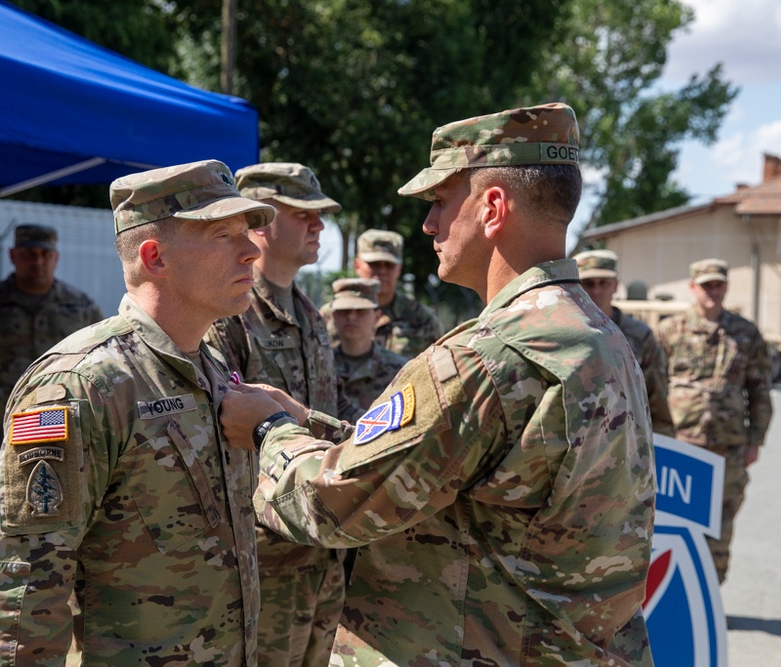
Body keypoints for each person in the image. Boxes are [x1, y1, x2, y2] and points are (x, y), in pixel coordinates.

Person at [222, 103, 656, 665]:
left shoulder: (487, 358)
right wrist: (314, 425)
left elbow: (334, 503)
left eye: (440, 202)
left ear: (493, 207)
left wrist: (269, 432)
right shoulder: (598, 337)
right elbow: (461, 464)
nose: (429, 225)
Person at [0, 160, 274, 665]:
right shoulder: (81, 385)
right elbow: (18, 592)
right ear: (154, 257)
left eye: (248, 233)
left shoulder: (211, 365)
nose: (251, 250)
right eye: (224, 235)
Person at [204, 162, 345, 667]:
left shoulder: (311, 314)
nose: (319, 226)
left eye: (320, 215)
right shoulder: (229, 315)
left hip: (321, 548)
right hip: (265, 559)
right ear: (262, 221)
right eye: (305, 213)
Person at [0, 224, 103, 502]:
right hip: (1, 431)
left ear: (56, 258)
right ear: (13, 255)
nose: (38, 261)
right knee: (2, 513)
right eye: (29, 254)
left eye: (45, 254)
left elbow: (99, 371)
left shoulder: (81, 308)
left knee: (66, 510)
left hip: (65, 429)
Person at [656, 258, 773, 584]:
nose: (713, 291)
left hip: (728, 447)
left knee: (721, 526)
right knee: (674, 526)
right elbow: (650, 389)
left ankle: (711, 599)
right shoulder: (670, 330)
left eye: (718, 284)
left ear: (726, 287)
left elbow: (760, 391)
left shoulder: (745, 333)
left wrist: (755, 440)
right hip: (679, 446)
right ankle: (675, 600)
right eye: (706, 285)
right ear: (693, 288)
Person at [573, 249, 674, 436]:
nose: (596, 290)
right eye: (589, 283)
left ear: (616, 285)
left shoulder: (639, 335)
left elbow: (656, 398)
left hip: (626, 443)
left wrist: (663, 442)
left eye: (604, 283)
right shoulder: (567, 332)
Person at [321, 229, 442, 359]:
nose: (382, 271)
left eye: (389, 265)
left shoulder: (423, 319)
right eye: (374, 264)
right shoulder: (330, 315)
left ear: (399, 269)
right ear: (357, 266)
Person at [328, 277, 407, 422]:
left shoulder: (400, 370)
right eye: (344, 311)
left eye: (360, 311)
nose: (351, 317)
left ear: (377, 317)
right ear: (333, 316)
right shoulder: (321, 367)